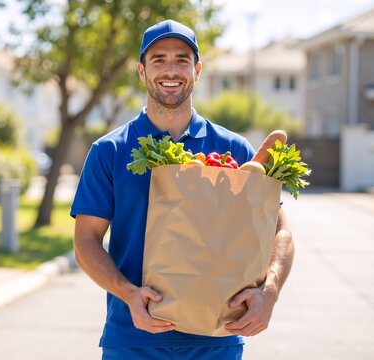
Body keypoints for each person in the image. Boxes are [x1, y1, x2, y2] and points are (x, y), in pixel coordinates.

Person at [70, 19, 294, 360]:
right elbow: (86, 240)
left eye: (181, 59)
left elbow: (282, 234)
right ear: (141, 72)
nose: (170, 70)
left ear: (197, 70)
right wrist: (128, 294)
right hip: (133, 338)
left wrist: (271, 291)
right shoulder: (110, 150)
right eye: (158, 59)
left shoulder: (236, 149)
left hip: (218, 338)